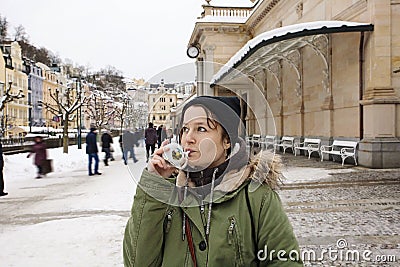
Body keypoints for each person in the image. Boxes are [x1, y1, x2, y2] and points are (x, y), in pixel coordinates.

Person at [123, 96, 302, 266]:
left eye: (201, 129)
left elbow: (284, 260)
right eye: (185, 129)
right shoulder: (166, 194)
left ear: (227, 141)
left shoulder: (256, 197)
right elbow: (137, 263)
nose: (188, 138)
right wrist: (154, 185)